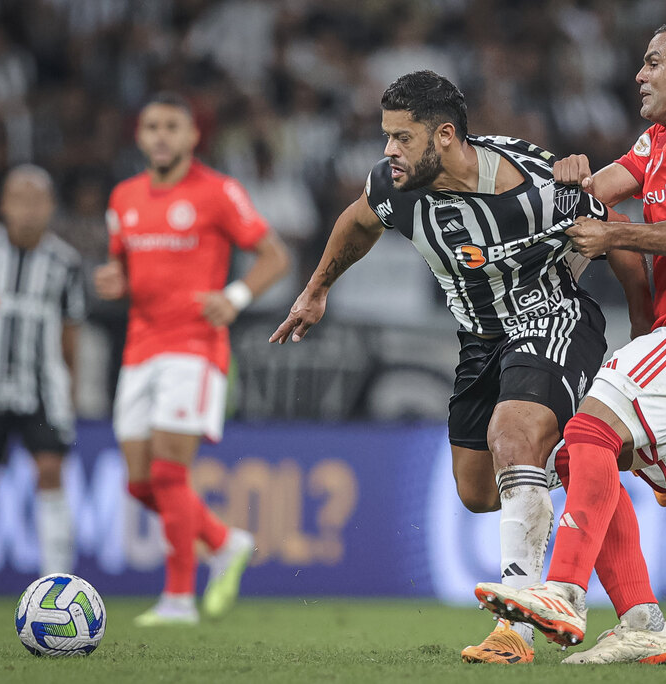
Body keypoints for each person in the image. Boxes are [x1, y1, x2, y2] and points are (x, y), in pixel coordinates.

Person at [270, 70, 643, 664]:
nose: (388, 151)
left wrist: (642, 339)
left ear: (444, 136)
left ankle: (516, 628)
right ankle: (583, 470)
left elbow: (618, 240)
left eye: (401, 138)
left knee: (513, 435)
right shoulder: (395, 189)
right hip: (478, 340)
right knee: (477, 492)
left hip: (554, 316)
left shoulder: (544, 180)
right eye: (386, 137)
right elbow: (357, 223)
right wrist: (315, 291)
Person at [475, 21, 666, 665]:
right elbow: (594, 190)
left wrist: (617, 238)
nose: (639, 73)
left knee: (585, 436)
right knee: (576, 460)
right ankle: (642, 620)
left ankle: (565, 592)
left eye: (653, 61)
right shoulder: (663, 134)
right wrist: (561, 176)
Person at [94, 92, 289, 626]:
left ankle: (178, 599)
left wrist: (235, 298)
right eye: (151, 126)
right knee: (139, 483)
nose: (161, 135)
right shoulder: (124, 197)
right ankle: (225, 542)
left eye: (171, 127)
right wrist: (115, 282)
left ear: (191, 136)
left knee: (167, 473)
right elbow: (124, 271)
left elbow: (275, 255)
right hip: (139, 350)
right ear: (139, 135)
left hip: (194, 350)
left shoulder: (217, 191)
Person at [0, 165, 83, 607]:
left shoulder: (65, 263)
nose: (29, 210)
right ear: (3, 204)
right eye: (20, 199)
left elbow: (71, 334)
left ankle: (57, 586)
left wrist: (69, 390)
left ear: (51, 206)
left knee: (50, 472)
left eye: (38, 201)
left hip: (43, 391)